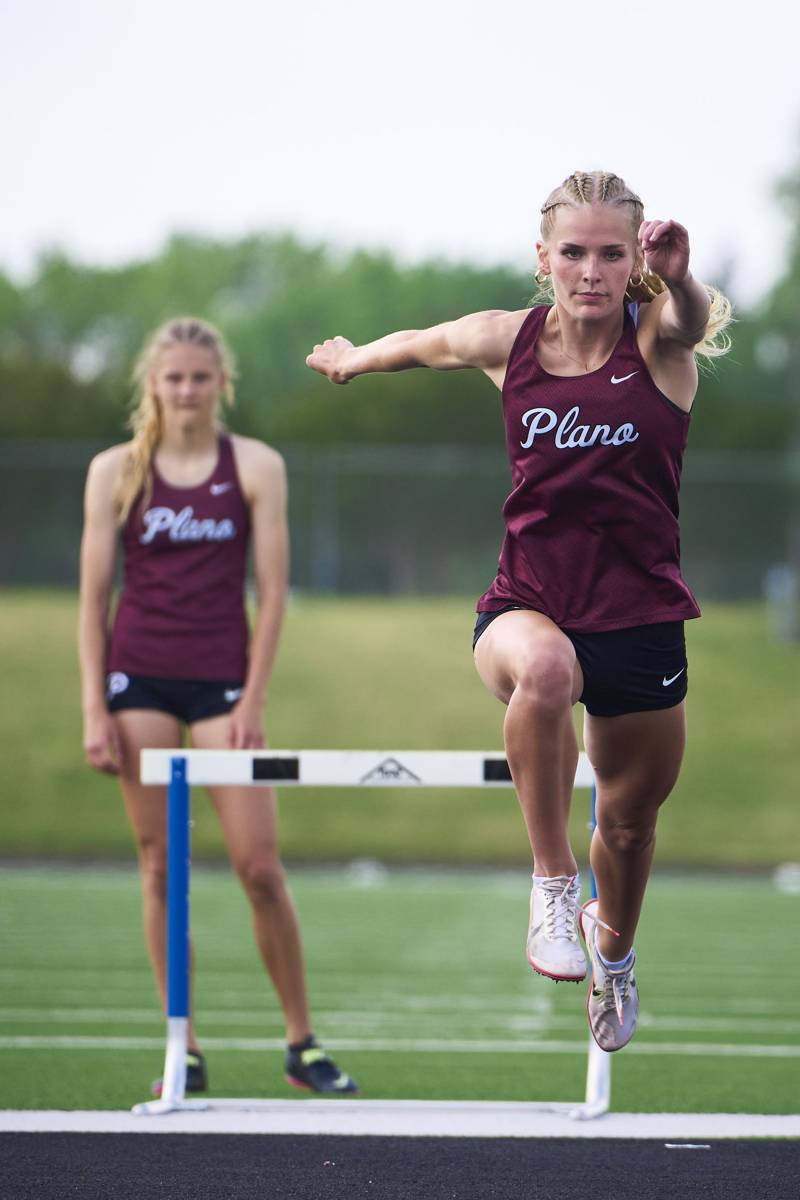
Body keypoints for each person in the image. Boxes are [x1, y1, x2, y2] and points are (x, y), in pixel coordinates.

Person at [306, 170, 732, 1052]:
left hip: (639, 616)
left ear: (632, 263)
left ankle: (613, 953)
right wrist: (354, 359)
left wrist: (681, 275)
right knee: (542, 671)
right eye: (572, 252)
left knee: (630, 821)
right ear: (543, 259)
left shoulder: (660, 345)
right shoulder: (511, 340)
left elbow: (689, 319)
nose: (590, 270)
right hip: (526, 603)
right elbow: (428, 342)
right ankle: (549, 881)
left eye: (611, 254)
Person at [79, 316, 357, 1094]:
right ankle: (185, 1047)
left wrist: (253, 698)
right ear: (152, 385)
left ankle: (301, 1045)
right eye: (173, 378)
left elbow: (271, 596)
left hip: (223, 681)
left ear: (221, 384)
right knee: (159, 863)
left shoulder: (257, 466)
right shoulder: (115, 472)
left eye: (200, 377)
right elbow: (93, 598)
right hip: (139, 678)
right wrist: (94, 707)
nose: (187, 390)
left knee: (258, 865)